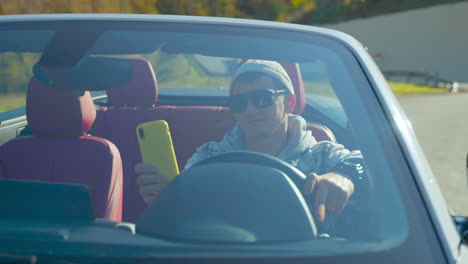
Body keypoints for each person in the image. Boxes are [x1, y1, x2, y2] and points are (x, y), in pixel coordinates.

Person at [135, 59, 366, 231]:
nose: (250, 110)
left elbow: (372, 163)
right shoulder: (209, 157)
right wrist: (166, 198)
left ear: (290, 102)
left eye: (262, 99)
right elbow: (188, 218)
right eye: (239, 103)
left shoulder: (322, 155)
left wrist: (344, 176)